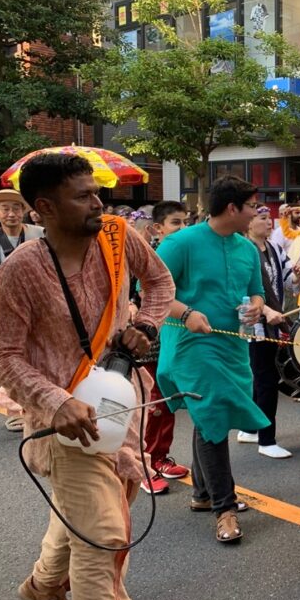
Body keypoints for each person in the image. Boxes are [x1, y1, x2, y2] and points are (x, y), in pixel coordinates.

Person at [0, 152, 174, 600]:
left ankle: (44, 587)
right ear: (43, 208)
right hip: (67, 426)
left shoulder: (116, 235)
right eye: (84, 195)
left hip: (120, 402)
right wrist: (55, 400)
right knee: (105, 540)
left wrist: (149, 325)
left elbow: (159, 284)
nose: (100, 202)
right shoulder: (19, 271)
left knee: (87, 516)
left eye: (97, 192)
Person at [156, 175, 272, 544]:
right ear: (233, 208)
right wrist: (186, 312)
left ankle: (202, 494)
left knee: (209, 416)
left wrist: (256, 308)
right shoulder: (180, 242)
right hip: (191, 344)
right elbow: (152, 290)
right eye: (252, 206)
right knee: (213, 414)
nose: (258, 212)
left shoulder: (247, 249)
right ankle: (225, 507)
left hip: (233, 345)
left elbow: (255, 292)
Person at [0, 188, 46, 430]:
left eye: (16, 208)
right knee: (10, 359)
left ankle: (38, 407)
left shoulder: (40, 234)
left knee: (38, 356)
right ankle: (16, 410)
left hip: (38, 304)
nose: (11, 213)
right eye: (5, 208)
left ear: (24, 211)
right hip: (3, 307)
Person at [236, 206, 297, 458]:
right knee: (266, 378)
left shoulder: (274, 248)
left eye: (269, 218)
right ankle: (267, 439)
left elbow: (288, 278)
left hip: (272, 317)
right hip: (255, 322)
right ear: (249, 224)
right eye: (262, 218)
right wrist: (265, 311)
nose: (269, 223)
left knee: (260, 375)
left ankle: (250, 428)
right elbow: (241, 289)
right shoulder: (243, 249)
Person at [137, 201, 190, 489]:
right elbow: (145, 293)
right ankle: (145, 464)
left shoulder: (184, 253)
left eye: (185, 222)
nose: (182, 228)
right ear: (157, 228)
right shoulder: (151, 255)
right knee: (152, 402)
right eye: (175, 223)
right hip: (151, 339)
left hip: (174, 338)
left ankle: (160, 456)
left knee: (167, 399)